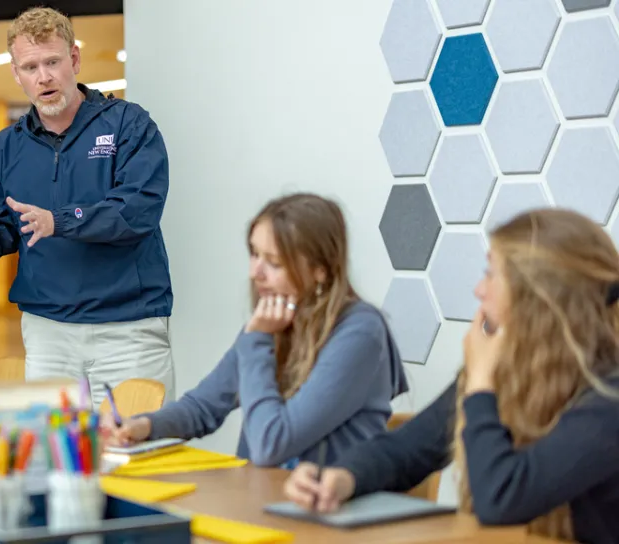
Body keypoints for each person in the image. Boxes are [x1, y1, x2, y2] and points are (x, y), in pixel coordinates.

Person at [284, 208, 619, 543]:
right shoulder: (508, 373)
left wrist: (481, 386)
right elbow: (405, 450)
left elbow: (502, 498)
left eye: (491, 274)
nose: (479, 290)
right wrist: (343, 478)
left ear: (539, 296)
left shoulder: (609, 398)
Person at [0, 7, 174, 408]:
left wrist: (60, 221)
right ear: (16, 74)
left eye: (52, 61)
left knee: (141, 455)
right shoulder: (4, 149)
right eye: (31, 66)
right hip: (48, 332)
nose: (44, 76)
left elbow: (137, 211)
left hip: (128, 329)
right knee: (55, 464)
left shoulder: (129, 126)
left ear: (73, 59)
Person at [103, 193, 409, 467]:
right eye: (254, 254)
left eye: (273, 262)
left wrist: (257, 340)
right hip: (264, 501)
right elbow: (203, 407)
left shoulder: (360, 331)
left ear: (320, 270)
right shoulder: (275, 321)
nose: (255, 273)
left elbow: (271, 444)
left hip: (328, 512)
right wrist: (144, 426)